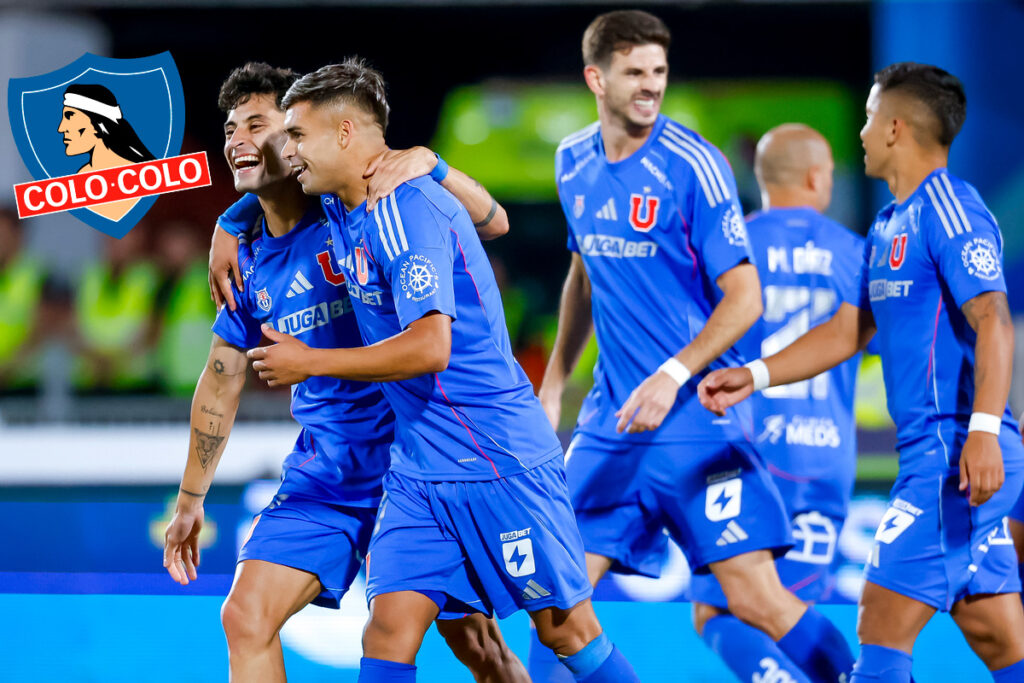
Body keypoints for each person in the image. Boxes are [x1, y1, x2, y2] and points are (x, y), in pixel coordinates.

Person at [237, 57, 639, 683]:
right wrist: (226, 226)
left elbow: (431, 348)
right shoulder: (344, 203)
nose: (287, 151)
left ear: (346, 135)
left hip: (498, 459)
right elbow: (496, 220)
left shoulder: (406, 209)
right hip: (421, 472)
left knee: (567, 631)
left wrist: (311, 361)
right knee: (389, 632)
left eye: (298, 135)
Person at [163, 62, 527, 683]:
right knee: (245, 617)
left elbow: (492, 222)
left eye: (259, 123)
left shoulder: (354, 207)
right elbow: (222, 377)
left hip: (413, 461)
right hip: (327, 472)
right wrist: (190, 499)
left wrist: (429, 163)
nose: (235, 140)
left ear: (304, 134)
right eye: (229, 128)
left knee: (477, 648)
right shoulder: (245, 259)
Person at [536, 10, 854, 683]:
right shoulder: (572, 162)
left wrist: (671, 374)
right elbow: (583, 275)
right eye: (635, 73)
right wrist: (555, 380)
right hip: (610, 426)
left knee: (756, 600)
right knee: (558, 603)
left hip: (693, 423)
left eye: (659, 71)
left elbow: (746, 297)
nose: (651, 86)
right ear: (596, 78)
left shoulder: (695, 166)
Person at [699, 62, 1024, 683]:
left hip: (954, 455)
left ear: (897, 127)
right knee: (996, 634)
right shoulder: (885, 226)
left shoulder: (951, 209)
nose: (862, 133)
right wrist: (758, 374)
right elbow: (849, 332)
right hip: (937, 454)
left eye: (871, 117)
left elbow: (995, 320)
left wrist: (983, 430)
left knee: (878, 619)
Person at [688, 123, 863, 683]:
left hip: (742, 455)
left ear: (761, 178)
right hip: (822, 459)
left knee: (717, 611)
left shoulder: (727, 251)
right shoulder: (854, 254)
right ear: (818, 176)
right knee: (791, 610)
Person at [58, 83, 155, 220]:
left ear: (97, 125)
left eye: (70, 116)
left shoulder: (142, 176)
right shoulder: (81, 177)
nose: (61, 128)